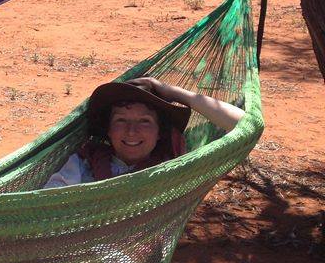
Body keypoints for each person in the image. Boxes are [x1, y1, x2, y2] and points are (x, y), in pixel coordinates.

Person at [44, 77, 245, 188]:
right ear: (108, 129)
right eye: (121, 120)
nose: (132, 131)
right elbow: (46, 209)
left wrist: (172, 92)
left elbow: (245, 124)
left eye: (145, 121)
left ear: (160, 132)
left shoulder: (175, 169)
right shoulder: (83, 164)